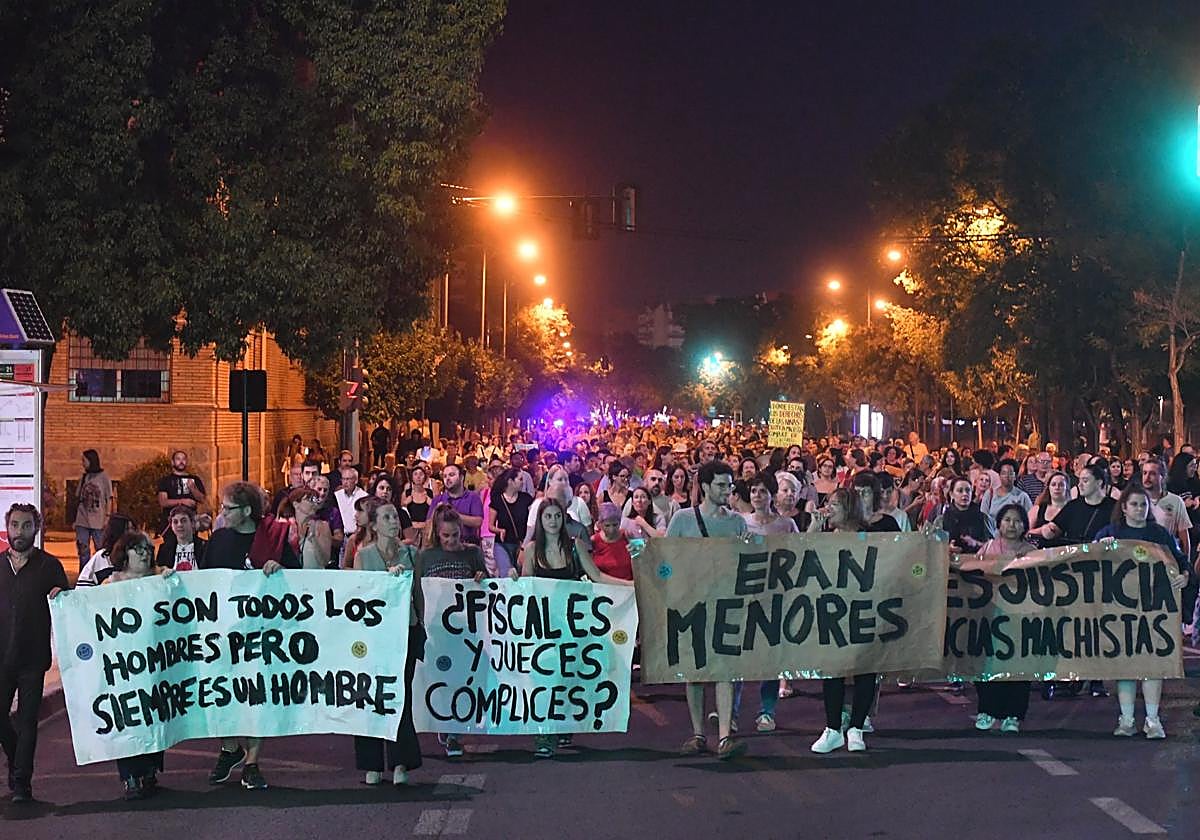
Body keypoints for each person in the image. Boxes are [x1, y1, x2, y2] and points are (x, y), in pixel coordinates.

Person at [512, 498, 632, 758]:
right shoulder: (532, 550)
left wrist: (631, 586)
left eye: (557, 516)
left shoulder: (575, 547)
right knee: (544, 679)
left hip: (571, 624)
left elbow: (598, 576)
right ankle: (543, 732)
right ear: (541, 521)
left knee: (568, 677)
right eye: (548, 517)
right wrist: (511, 582)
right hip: (544, 625)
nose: (553, 521)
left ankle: (563, 724)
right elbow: (525, 585)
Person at [200, 482, 299, 790]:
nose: (222, 514)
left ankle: (253, 763)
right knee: (222, 692)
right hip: (224, 633)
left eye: (227, 508)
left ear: (245, 511)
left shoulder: (274, 538)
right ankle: (230, 748)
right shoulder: (218, 540)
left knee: (258, 695)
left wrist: (278, 568)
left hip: (261, 633)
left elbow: (299, 579)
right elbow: (203, 583)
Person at [665, 461, 749, 761]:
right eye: (721, 485)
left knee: (725, 668)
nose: (728, 491)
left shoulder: (737, 522)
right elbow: (667, 560)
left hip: (726, 603)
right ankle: (699, 733)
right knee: (696, 671)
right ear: (705, 486)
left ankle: (725, 735)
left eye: (730, 485)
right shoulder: (683, 520)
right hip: (692, 605)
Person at [1094, 483, 1189, 739]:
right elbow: (1088, 560)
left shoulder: (1159, 534)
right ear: (1123, 507)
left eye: (1143, 504)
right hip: (1120, 608)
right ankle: (1126, 719)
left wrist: (1185, 577)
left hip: (1153, 608)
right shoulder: (1109, 532)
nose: (1139, 509)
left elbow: (1181, 561)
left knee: (1152, 663)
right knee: (1126, 664)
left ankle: (1152, 719)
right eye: (1134, 504)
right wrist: (1100, 547)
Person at [807, 486, 896, 754]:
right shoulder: (825, 537)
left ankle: (856, 728)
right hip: (833, 612)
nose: (828, 509)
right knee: (833, 668)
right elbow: (803, 556)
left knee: (864, 669)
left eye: (834, 505)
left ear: (849, 509)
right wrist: (813, 527)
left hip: (863, 610)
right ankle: (833, 729)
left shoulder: (869, 537)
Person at [352, 499, 424, 783]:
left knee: (401, 695)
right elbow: (359, 595)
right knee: (372, 694)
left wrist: (421, 623)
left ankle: (401, 763)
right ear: (374, 525)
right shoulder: (364, 556)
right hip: (374, 635)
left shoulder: (411, 553)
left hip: (405, 630)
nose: (394, 521)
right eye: (386, 517)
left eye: (395, 516)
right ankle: (372, 763)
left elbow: (418, 592)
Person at [0, 504, 68, 804]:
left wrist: (62, 596)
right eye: (15, 525)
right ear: (7, 527)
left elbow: (69, 610)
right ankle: (17, 761)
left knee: (27, 722)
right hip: (1, 658)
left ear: (35, 529)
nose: (19, 532)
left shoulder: (49, 566)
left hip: (32, 658)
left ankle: (21, 783)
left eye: (26, 525)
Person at [104, 530, 173, 799]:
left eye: (147, 549)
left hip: (156, 662)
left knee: (156, 712)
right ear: (125, 554)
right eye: (137, 549)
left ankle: (150, 769)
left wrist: (170, 579)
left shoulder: (160, 578)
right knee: (128, 717)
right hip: (125, 665)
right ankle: (130, 774)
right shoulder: (111, 585)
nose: (144, 553)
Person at [421, 505, 487, 758]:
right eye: (445, 536)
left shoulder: (472, 554)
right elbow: (418, 587)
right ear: (437, 534)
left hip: (467, 630)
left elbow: (487, 585)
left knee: (463, 678)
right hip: (437, 628)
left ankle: (453, 733)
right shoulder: (427, 557)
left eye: (455, 536)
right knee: (442, 679)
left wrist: (482, 576)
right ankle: (446, 725)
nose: (450, 541)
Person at [738, 472, 799, 732]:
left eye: (763, 491)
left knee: (771, 656)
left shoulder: (785, 525)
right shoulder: (739, 523)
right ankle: (731, 710)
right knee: (739, 656)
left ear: (771, 495)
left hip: (775, 596)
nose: (757, 496)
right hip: (745, 595)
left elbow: (801, 551)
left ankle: (767, 711)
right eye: (753, 491)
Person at [972, 504, 1034, 733]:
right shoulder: (988, 548)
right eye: (1007, 520)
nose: (1012, 525)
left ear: (1024, 526)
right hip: (990, 614)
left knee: (1018, 664)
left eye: (1017, 521)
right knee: (988, 662)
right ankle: (987, 710)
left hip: (1021, 617)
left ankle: (1013, 714)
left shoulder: (1030, 551)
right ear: (998, 523)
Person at [488, 468, 533, 575]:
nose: (523, 482)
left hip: (522, 545)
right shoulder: (497, 499)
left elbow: (532, 522)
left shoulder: (526, 499)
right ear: (510, 481)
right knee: (506, 573)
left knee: (522, 574)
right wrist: (499, 530)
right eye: (520, 479)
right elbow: (490, 526)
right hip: (502, 544)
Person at [74, 448, 113, 566]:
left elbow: (109, 498)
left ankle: (100, 572)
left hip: (98, 520)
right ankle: (84, 573)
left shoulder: (103, 477)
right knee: (83, 549)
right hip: (82, 519)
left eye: (84, 460)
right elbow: (78, 497)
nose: (82, 463)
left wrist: (107, 516)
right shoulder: (84, 477)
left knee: (100, 550)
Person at [430, 464, 484, 544]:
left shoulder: (473, 497)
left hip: (467, 545)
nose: (447, 479)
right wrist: (437, 514)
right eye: (445, 476)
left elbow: (478, 522)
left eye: (451, 475)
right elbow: (428, 523)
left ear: (461, 478)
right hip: (443, 546)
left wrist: (452, 514)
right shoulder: (438, 499)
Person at [76, 512, 136, 586]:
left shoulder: (138, 558)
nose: (133, 535)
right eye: (128, 530)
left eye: (133, 530)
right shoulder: (100, 559)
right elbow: (82, 591)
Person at [156, 449, 207, 535]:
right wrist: (182, 501)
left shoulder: (194, 479)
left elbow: (202, 499)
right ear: (173, 462)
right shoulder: (165, 480)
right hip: (171, 523)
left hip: (190, 523)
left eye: (183, 459)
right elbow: (163, 502)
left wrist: (193, 489)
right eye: (178, 459)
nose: (181, 462)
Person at [978, 458, 1033, 529]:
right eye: (1004, 473)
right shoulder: (990, 494)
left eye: (1010, 473)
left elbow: (1030, 518)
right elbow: (983, 517)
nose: (1007, 476)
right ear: (999, 476)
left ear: (1015, 476)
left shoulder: (1022, 496)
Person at [942, 477, 992, 554]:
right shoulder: (943, 519)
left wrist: (976, 543)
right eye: (960, 491)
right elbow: (934, 545)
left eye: (968, 490)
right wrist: (946, 548)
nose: (965, 494)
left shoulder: (982, 517)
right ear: (951, 494)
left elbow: (993, 546)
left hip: (977, 561)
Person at [155, 505, 207, 570]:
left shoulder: (205, 547)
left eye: (184, 521)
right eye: (175, 522)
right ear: (171, 526)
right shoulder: (164, 549)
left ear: (192, 523)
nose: (179, 525)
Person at [591, 503, 633, 581]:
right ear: (600, 524)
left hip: (627, 586)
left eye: (615, 525)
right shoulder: (594, 541)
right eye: (607, 525)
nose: (611, 530)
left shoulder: (627, 536)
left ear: (620, 522)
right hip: (604, 587)